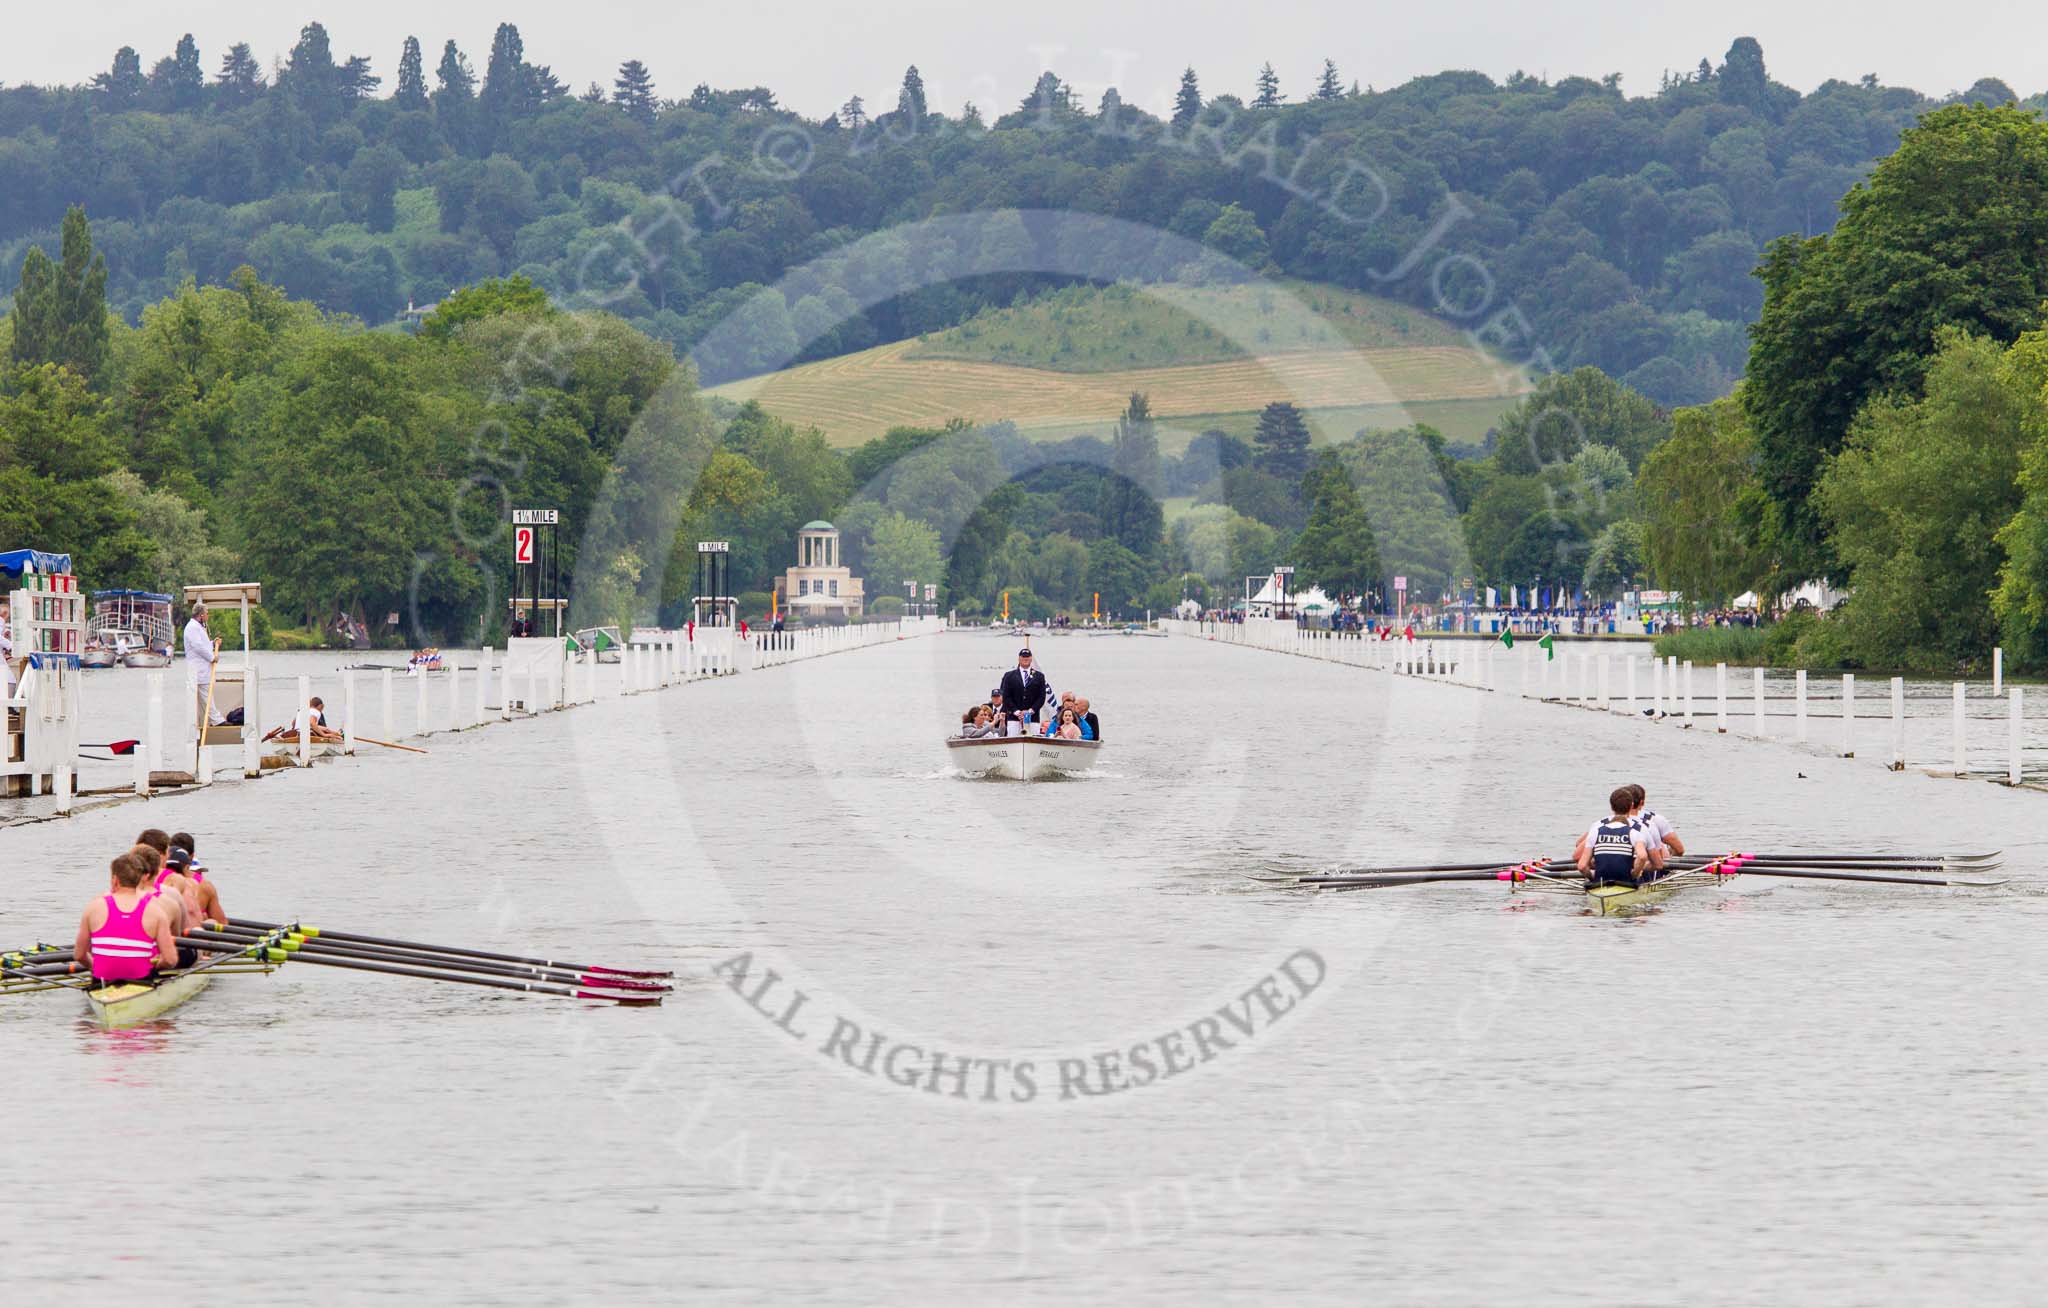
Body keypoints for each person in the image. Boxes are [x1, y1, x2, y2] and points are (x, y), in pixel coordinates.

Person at [74, 851, 180, 984]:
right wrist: (156, 966)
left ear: (115, 880)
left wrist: (93, 967)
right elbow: (170, 960)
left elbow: (79, 955)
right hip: (142, 981)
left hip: (101, 981)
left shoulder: (93, 907)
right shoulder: (155, 910)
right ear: (140, 879)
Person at [1576, 787, 1649, 886]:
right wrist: (1634, 874)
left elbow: (1581, 866)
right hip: (1625, 881)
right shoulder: (1634, 832)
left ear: (1611, 807)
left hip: (1600, 882)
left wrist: (1592, 877)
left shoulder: (1595, 832)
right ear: (1631, 806)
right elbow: (1642, 856)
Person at [169, 832, 227, 926]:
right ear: (191, 856)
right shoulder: (205, 886)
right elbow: (222, 924)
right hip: (192, 933)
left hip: (170, 932)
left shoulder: (155, 880)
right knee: (211, 922)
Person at [183, 602, 221, 734]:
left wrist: (212, 643)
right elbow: (198, 647)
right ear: (201, 615)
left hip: (202, 669)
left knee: (206, 695)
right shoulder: (192, 628)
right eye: (207, 613)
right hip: (198, 669)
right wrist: (212, 658)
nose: (208, 616)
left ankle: (215, 720)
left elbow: (202, 644)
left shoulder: (198, 627)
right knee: (206, 695)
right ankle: (216, 720)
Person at [1628, 784, 1685, 860]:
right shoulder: (1656, 820)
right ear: (1642, 802)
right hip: (1652, 864)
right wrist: (1669, 858)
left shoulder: (1612, 821)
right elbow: (1679, 850)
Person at [999, 648, 1051, 731]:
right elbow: (1006, 697)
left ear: (1031, 658)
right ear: (1019, 658)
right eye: (1023, 657)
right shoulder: (1009, 676)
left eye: (1027, 657)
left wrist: (1030, 711)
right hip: (1014, 718)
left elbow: (1041, 697)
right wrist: (1017, 712)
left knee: (1033, 740)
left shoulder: (1039, 676)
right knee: (1013, 741)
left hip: (1033, 718)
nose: (1025, 659)